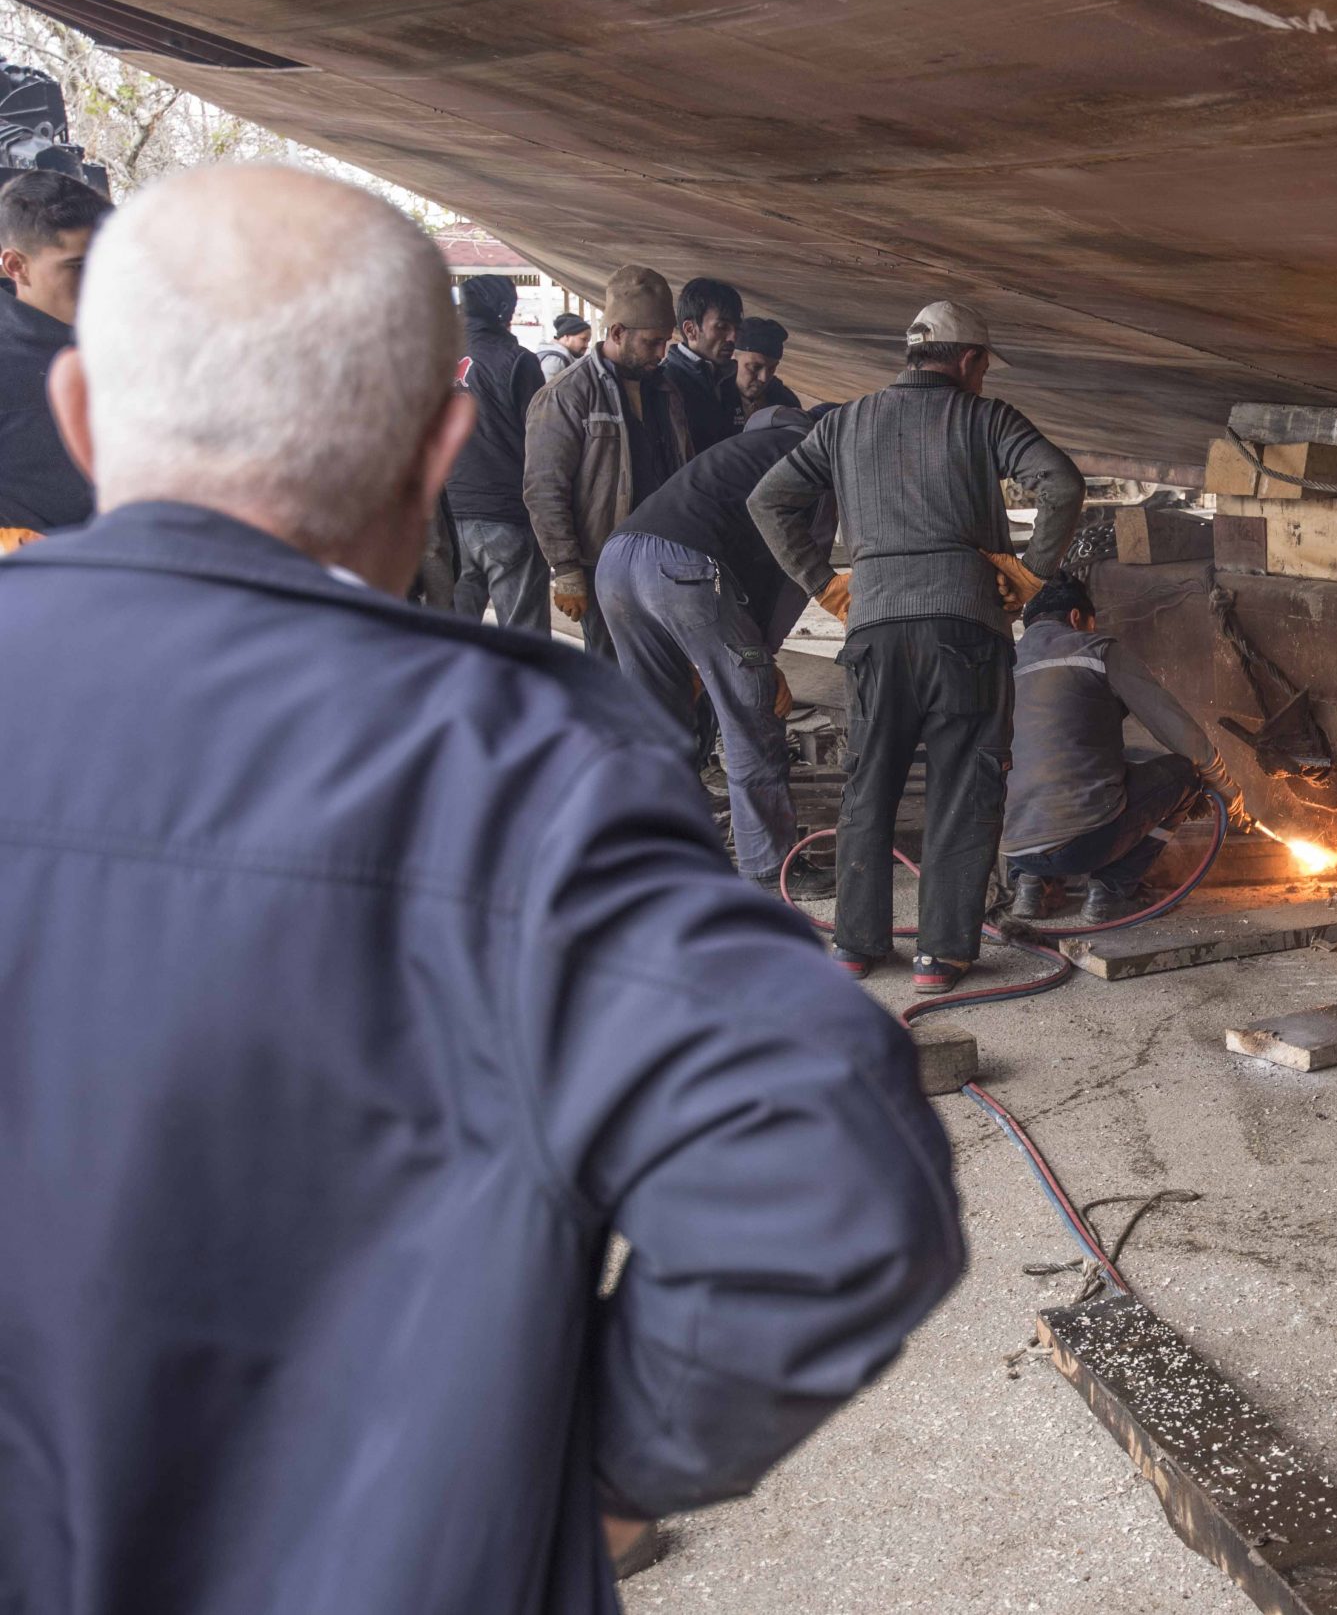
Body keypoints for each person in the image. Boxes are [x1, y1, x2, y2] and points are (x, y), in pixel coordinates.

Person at [0, 162, 963, 1614]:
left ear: (78, 411)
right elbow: (833, 1170)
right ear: (444, 439)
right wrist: (597, 1474)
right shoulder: (520, 761)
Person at [750, 298, 1083, 994]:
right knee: (963, 783)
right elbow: (1061, 482)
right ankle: (941, 955)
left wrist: (824, 582)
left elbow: (767, 501)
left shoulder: (843, 422)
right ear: (969, 360)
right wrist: (1030, 573)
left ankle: (855, 943)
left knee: (869, 783)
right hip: (965, 626)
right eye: (983, 367)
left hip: (874, 628)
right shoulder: (985, 417)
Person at [595, 403, 828, 894]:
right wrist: (763, 658)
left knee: (657, 723)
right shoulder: (815, 455)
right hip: (682, 568)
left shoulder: (742, 449)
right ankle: (768, 871)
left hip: (617, 562)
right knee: (749, 717)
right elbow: (796, 570)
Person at [1000, 574, 1246, 924]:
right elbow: (1178, 732)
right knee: (1185, 774)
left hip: (1013, 847)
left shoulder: (1002, 665)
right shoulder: (1097, 650)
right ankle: (1111, 890)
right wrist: (1226, 789)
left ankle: (1031, 887)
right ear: (1076, 617)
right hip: (1083, 845)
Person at [524, 263, 692, 658]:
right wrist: (566, 568)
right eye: (652, 342)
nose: (661, 353)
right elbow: (545, 488)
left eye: (665, 342)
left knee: (665, 668)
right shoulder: (566, 395)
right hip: (601, 565)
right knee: (610, 667)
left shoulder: (665, 390)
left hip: (663, 558)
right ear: (617, 333)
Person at [0, 167, 110, 542]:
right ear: (16, 266)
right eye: (77, 267)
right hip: (47, 569)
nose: (99, 280)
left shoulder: (139, 337)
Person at [445, 272, 551, 628]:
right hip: (506, 516)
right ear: (505, 310)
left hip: (449, 515)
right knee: (524, 639)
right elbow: (541, 442)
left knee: (452, 637)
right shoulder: (517, 360)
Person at [664, 274, 743, 451]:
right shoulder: (666, 383)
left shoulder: (728, 379)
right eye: (722, 327)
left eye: (736, 328)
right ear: (690, 330)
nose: (733, 337)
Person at [734, 314, 801, 413]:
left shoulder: (785, 403)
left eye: (771, 369)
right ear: (732, 359)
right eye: (755, 367)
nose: (764, 378)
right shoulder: (711, 396)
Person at [535, 310, 590, 382]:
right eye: (583, 339)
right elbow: (549, 388)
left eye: (588, 341)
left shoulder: (560, 357)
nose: (586, 345)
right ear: (566, 336)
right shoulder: (555, 360)